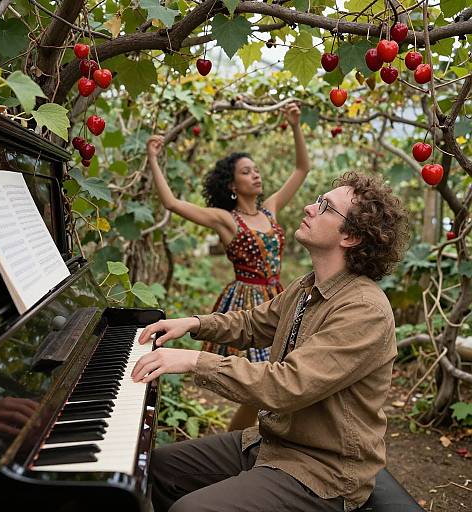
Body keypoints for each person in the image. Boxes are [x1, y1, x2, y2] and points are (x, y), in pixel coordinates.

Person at [131, 172, 410, 512]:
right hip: (270, 442)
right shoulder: (306, 287)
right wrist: (193, 323)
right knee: (154, 469)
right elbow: (252, 323)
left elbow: (287, 384)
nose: (309, 207)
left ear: (350, 235)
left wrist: (193, 361)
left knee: (190, 510)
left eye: (324, 206)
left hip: (322, 471)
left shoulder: (364, 311)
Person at [146, 102, 310, 430]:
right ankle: (236, 445)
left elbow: (301, 170)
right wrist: (152, 157)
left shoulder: (271, 209)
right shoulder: (226, 220)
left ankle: (243, 442)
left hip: (278, 297)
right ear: (233, 186)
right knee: (257, 387)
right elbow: (172, 203)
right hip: (245, 302)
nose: (256, 174)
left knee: (272, 379)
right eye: (246, 171)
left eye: (256, 169)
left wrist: (295, 126)